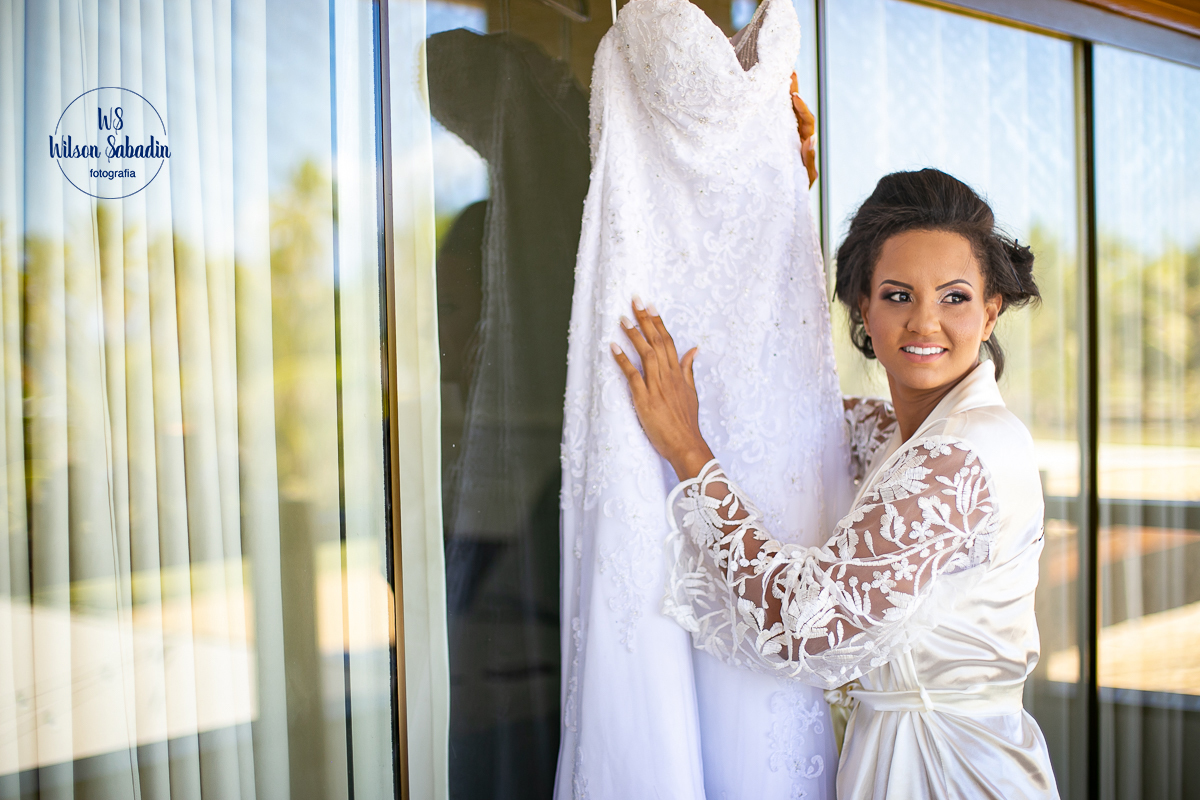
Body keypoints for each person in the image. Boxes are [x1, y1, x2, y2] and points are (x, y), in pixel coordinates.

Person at [611, 168, 1060, 799]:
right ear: (863, 310)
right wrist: (761, 166)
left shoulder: (962, 452)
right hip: (898, 753)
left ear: (990, 314)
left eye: (954, 298)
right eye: (899, 295)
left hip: (948, 771)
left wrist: (687, 449)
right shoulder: (908, 433)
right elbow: (805, 421)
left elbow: (802, 621)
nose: (925, 323)